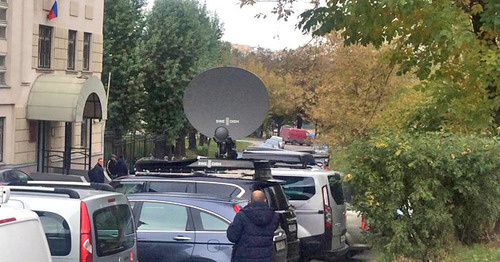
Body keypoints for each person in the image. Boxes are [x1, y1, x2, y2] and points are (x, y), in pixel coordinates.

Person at [227, 190, 279, 262]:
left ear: (250, 200)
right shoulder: (274, 216)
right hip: (265, 257)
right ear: (265, 200)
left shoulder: (242, 215)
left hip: (243, 257)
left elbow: (232, 237)